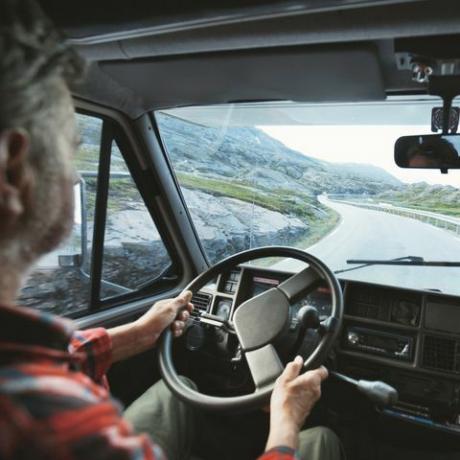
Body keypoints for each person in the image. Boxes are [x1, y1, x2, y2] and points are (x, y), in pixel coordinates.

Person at [0, 1, 343, 459]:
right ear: (12, 169)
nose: (77, 178)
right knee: (318, 442)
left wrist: (133, 335)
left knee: (172, 390)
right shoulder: (52, 421)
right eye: (70, 152)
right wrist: (284, 421)